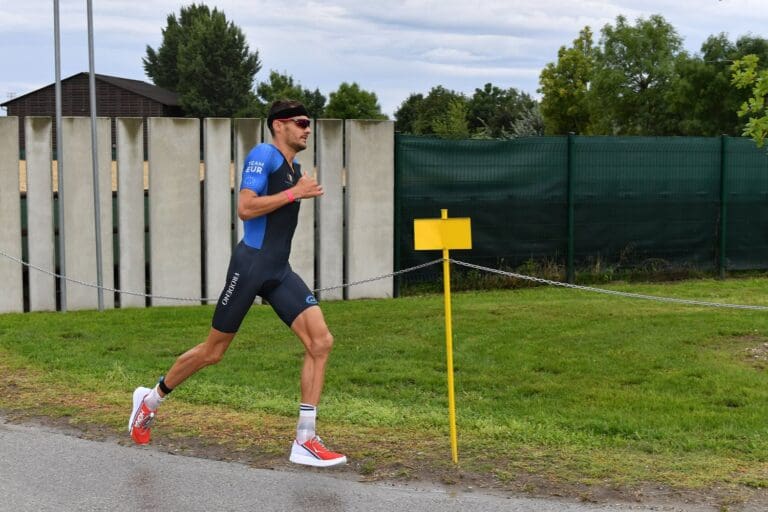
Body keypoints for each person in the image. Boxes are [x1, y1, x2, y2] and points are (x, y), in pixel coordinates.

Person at [128, 100, 346, 468]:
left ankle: (305, 439)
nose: (307, 129)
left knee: (321, 341)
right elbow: (245, 208)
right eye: (301, 123)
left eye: (309, 124)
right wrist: (296, 193)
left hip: (278, 270)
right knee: (213, 352)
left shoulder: (294, 167)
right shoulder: (264, 154)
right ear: (279, 126)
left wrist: (297, 187)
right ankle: (149, 401)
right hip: (250, 267)